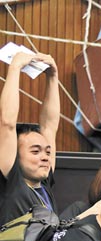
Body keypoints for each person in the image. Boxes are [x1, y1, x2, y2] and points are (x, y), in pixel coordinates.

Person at [0, 52, 60, 225]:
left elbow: (50, 126)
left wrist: (53, 76)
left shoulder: (44, 181)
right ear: (15, 157)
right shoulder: (12, 182)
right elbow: (7, 122)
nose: (45, 157)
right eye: (35, 151)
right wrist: (15, 67)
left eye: (47, 152)